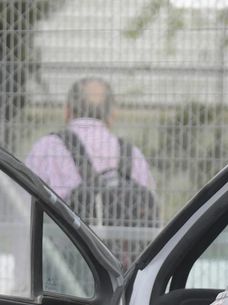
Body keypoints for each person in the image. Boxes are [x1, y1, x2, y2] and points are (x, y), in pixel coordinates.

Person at [25, 76, 158, 227]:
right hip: (125, 250)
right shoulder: (134, 155)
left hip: (64, 248)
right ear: (112, 115)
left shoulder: (45, 150)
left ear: (67, 110)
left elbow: (25, 214)